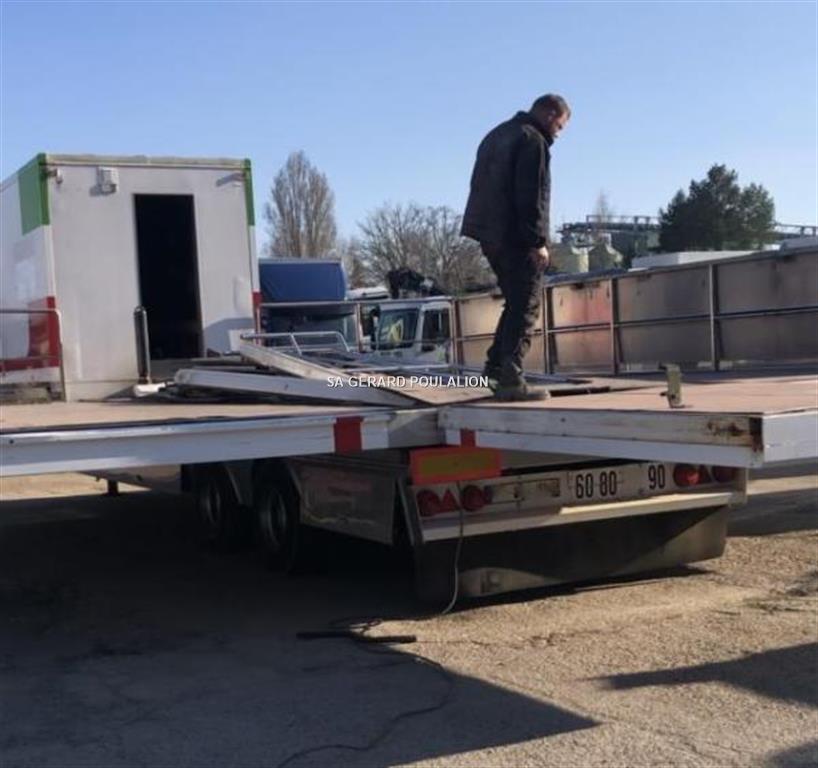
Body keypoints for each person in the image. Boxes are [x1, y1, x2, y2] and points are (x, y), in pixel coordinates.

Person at [461, 93, 571, 400]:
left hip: (488, 232)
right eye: (560, 127)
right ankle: (509, 376)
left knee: (515, 301)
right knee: (526, 304)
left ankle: (496, 369)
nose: (558, 135)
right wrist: (537, 242)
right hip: (514, 235)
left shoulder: (497, 134)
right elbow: (531, 195)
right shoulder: (532, 140)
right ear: (550, 115)